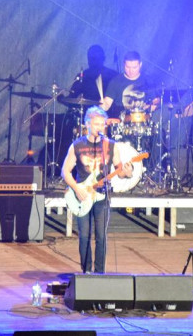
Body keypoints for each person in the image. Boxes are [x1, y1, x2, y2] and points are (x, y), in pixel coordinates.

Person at [61, 107, 132, 274]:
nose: (100, 127)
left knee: (101, 236)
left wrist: (127, 173)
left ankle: (100, 273)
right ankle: (86, 272)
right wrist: (76, 188)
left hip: (102, 195)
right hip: (83, 195)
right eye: (96, 124)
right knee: (84, 236)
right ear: (87, 124)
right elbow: (65, 171)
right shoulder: (77, 145)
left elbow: (120, 171)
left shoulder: (111, 146)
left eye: (102, 124)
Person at [101, 51, 156, 122]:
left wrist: (150, 107)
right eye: (128, 67)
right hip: (121, 123)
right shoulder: (116, 81)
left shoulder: (147, 81)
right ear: (124, 64)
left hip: (143, 123)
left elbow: (154, 103)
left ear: (140, 65)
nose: (131, 71)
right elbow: (107, 103)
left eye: (134, 67)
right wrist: (102, 105)